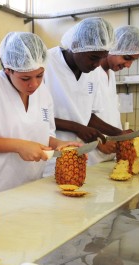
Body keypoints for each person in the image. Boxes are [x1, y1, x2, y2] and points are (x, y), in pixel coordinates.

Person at [0, 32, 80, 193]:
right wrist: (19, 146)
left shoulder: (43, 92)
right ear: (8, 70)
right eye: (25, 79)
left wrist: (59, 145)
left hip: (32, 185)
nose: (34, 84)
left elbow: (44, 134)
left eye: (40, 75)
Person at [43, 17, 122, 176]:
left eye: (102, 57)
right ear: (75, 46)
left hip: (79, 157)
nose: (97, 64)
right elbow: (37, 116)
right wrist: (77, 128)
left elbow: (88, 115)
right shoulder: (46, 64)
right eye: (93, 57)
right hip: (50, 157)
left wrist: (118, 133)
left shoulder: (93, 72)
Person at [88, 25, 139, 165]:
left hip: (109, 158)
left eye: (133, 60)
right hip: (92, 158)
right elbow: (81, 114)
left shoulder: (112, 74)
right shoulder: (90, 73)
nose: (128, 65)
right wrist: (98, 142)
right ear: (113, 48)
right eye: (126, 58)